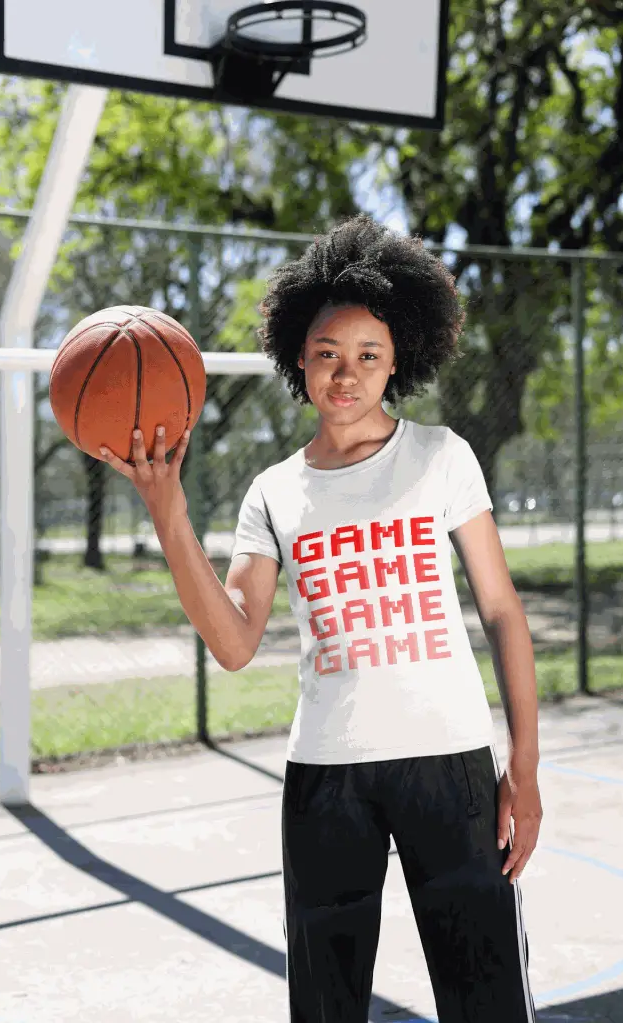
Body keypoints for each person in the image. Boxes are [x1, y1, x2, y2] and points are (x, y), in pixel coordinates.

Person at [100, 214, 543, 1023]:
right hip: (325, 778)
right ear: (298, 360)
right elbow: (234, 641)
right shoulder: (273, 491)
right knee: (326, 1008)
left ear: (398, 359)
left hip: (450, 766)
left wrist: (528, 766)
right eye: (328, 355)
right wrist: (166, 506)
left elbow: (504, 612)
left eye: (367, 355)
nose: (346, 374)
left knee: (488, 1004)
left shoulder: (442, 456)